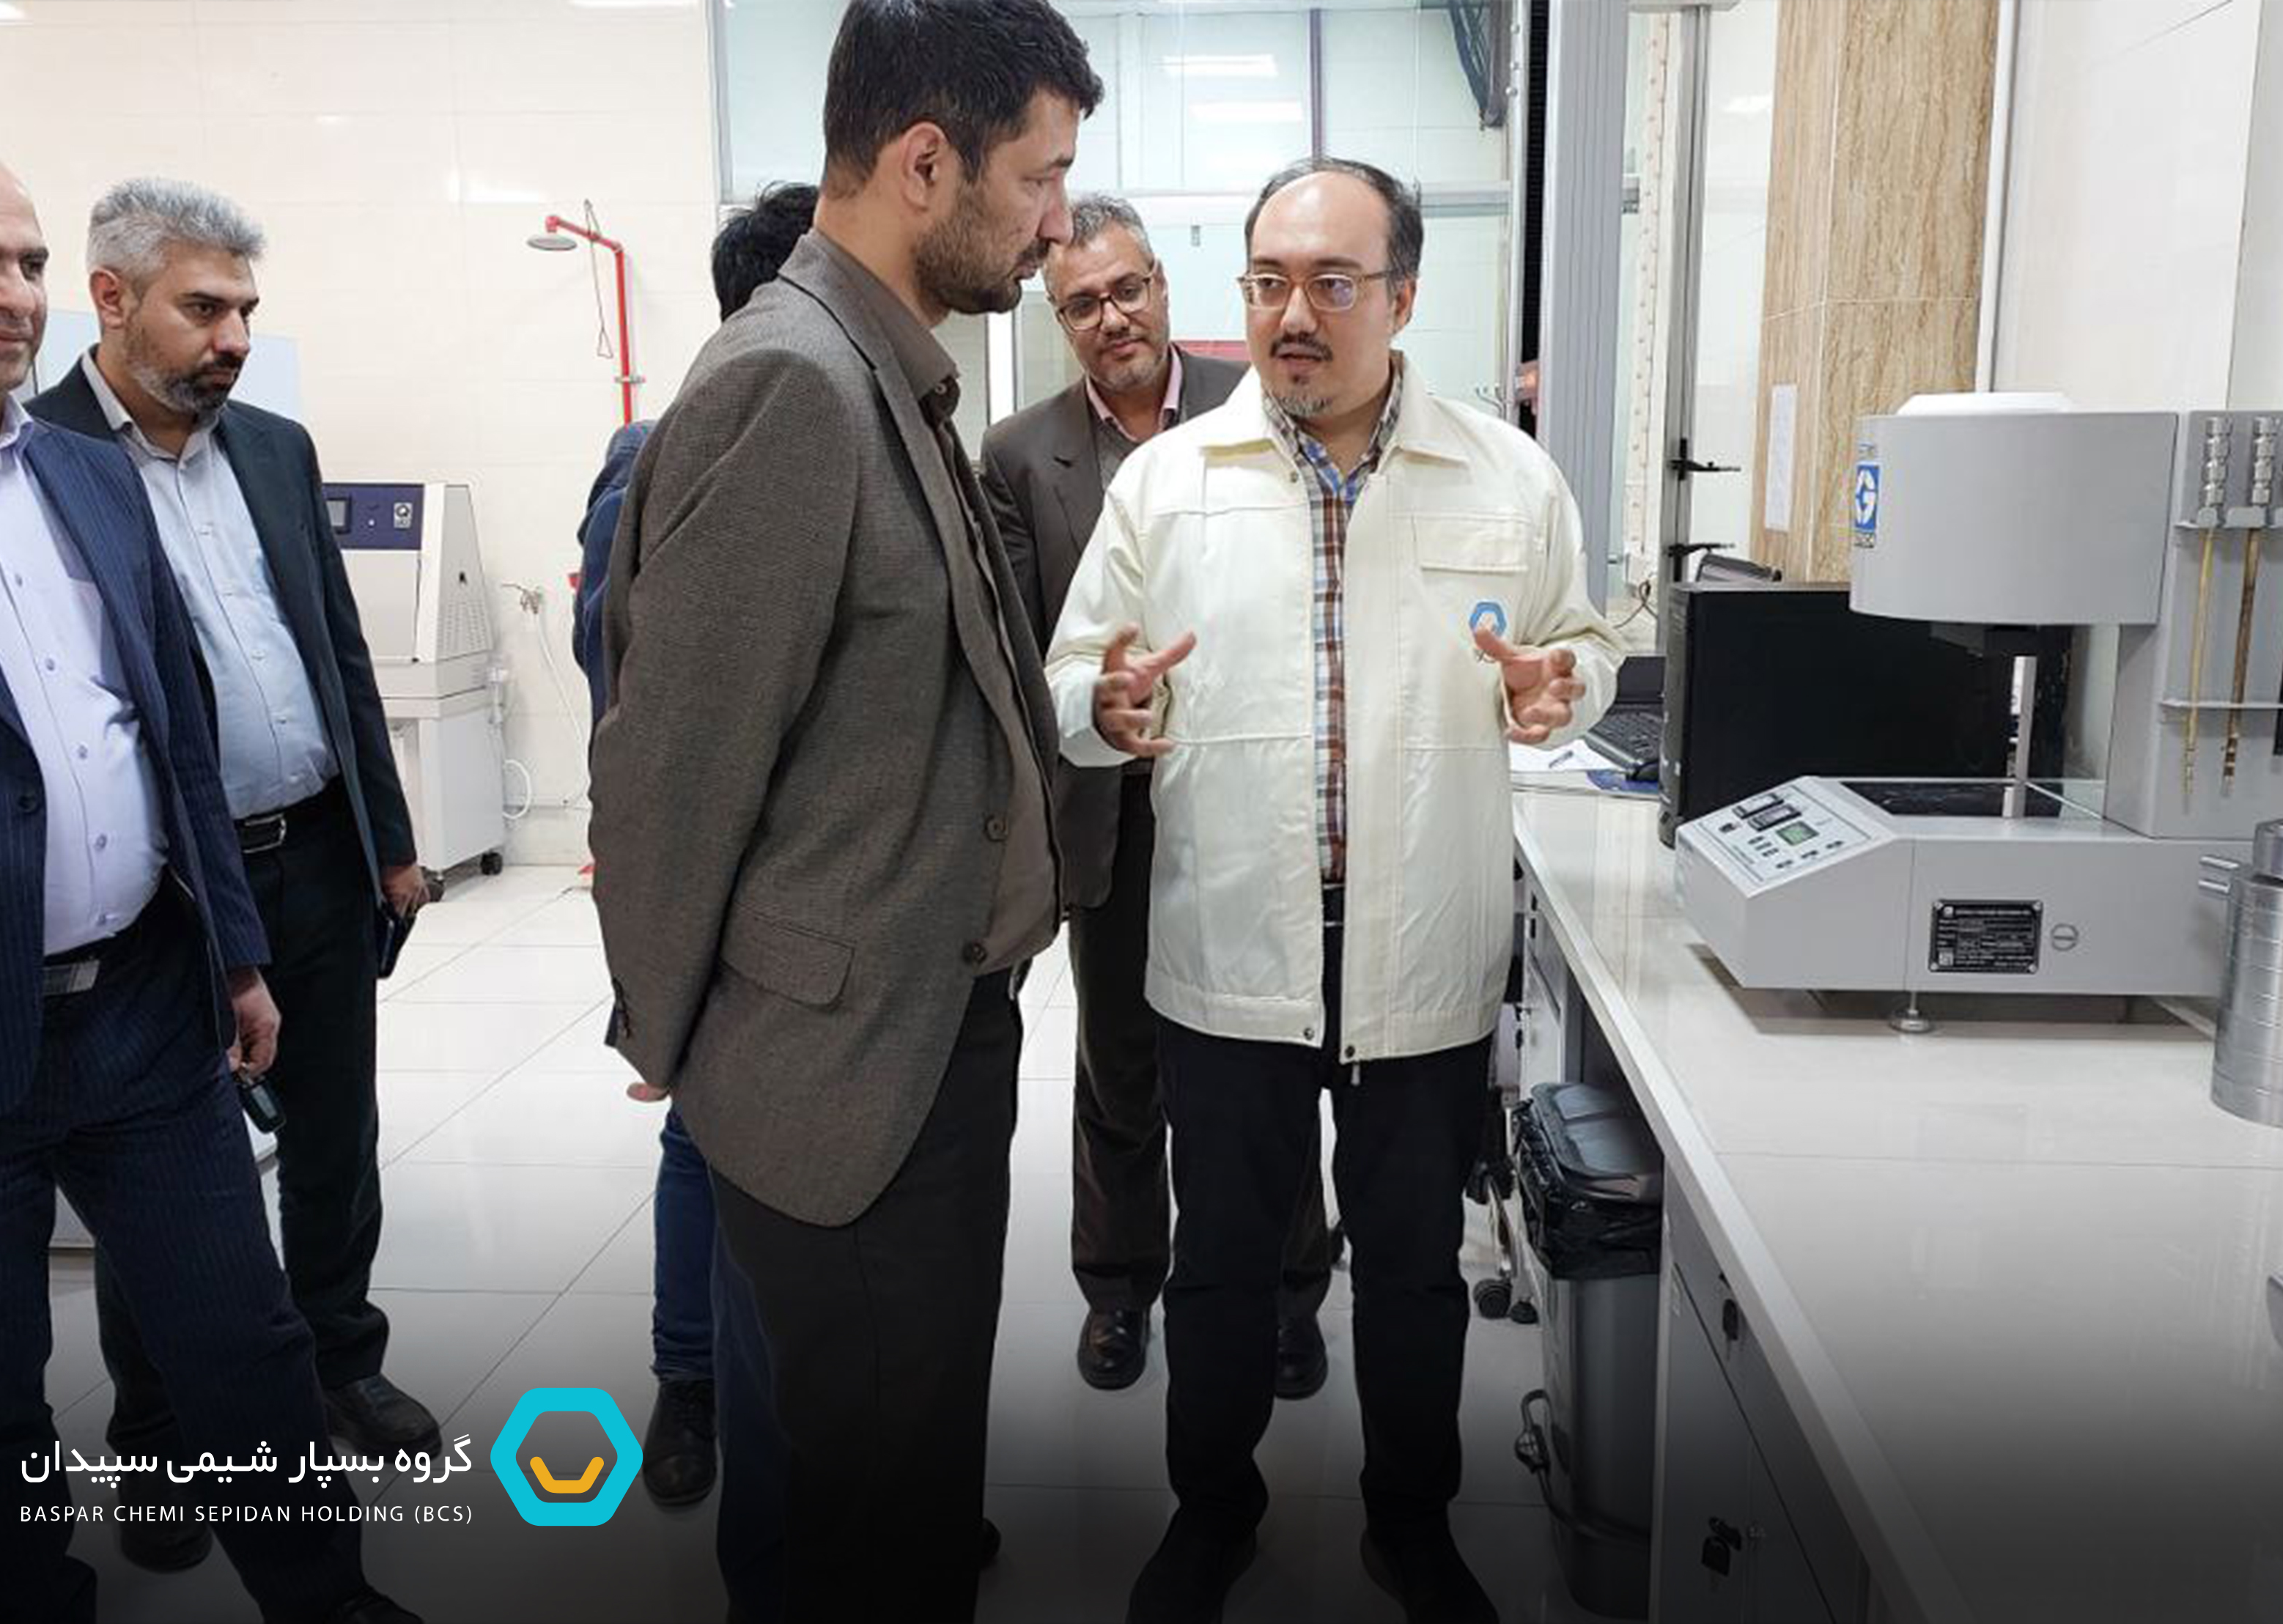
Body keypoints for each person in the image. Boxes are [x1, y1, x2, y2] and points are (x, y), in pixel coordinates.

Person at [1042, 157, 1626, 1624]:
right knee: (1223, 1268)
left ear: (1404, 297)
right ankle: (1212, 1513)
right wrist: (1100, 707)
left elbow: (1585, 641)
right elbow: (1073, 671)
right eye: (1267, 282)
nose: (1292, 314)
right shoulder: (1171, 482)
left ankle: (1410, 1525)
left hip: (1422, 949)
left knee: (1415, 1271)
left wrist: (1569, 684)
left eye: (1332, 283)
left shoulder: (1506, 475)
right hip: (1230, 947)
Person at [587, 4, 1099, 1620]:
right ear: (925, 162)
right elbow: (671, 773)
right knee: (868, 1521)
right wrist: (672, 1031)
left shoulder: (890, 370)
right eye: (1040, 178)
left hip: (924, 1024)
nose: (1058, 224)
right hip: (850, 1073)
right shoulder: (793, 384)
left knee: (908, 1477)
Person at [0, 125, 416, 1624]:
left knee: (249, 1336)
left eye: (24, 261)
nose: (13, 293)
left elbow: (176, 733)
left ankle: (327, 1588)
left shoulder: (78, 479)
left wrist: (245, 948)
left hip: (159, 980)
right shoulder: (88, 449)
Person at [980, 193, 1334, 1399]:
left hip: (1252, 801)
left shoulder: (1267, 403)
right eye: (1081, 303)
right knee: (1120, 1071)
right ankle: (1121, 1289)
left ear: (1165, 288)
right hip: (1110, 813)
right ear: (1058, 317)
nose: (1111, 317)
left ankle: (1289, 1291)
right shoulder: (1019, 456)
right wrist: (1097, 702)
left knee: (1268, 1059)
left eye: (1127, 289)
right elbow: (1022, 655)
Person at [570, 181, 818, 1521]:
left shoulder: (866, 426)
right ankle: (691, 1382)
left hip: (822, 888)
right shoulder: (668, 447)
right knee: (702, 1139)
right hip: (712, 872)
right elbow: (624, 680)